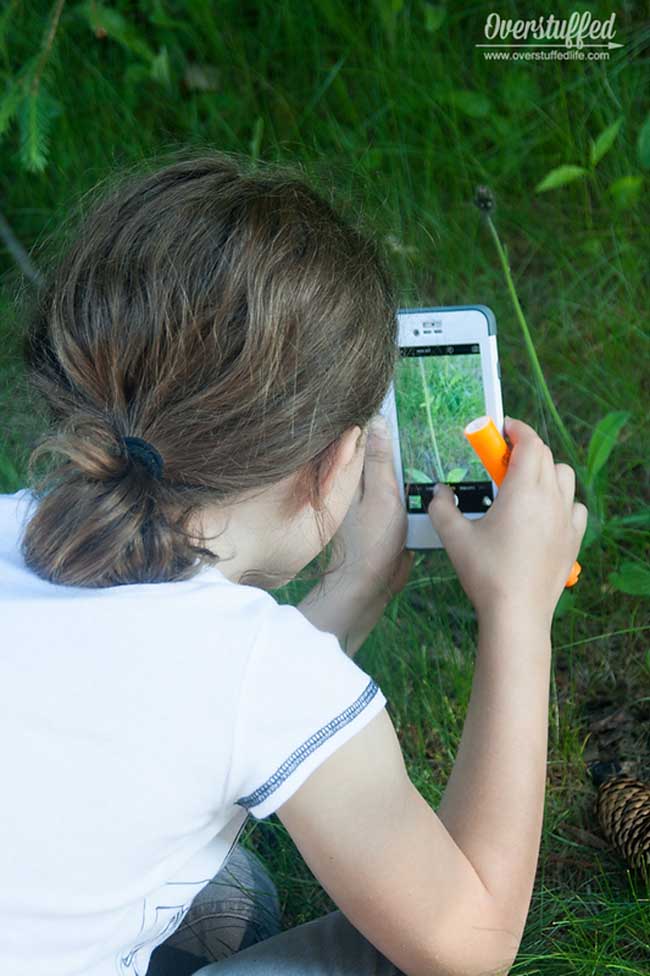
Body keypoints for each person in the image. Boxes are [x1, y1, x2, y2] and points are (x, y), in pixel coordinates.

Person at [0, 149, 587, 976]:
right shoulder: (267, 677)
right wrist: (519, 614)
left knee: (230, 885)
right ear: (338, 459)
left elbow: (182, 699)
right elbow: (470, 944)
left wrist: (353, 587)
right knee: (381, 945)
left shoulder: (16, 529)